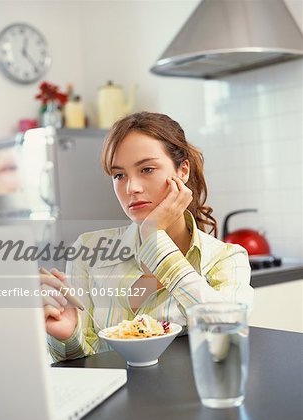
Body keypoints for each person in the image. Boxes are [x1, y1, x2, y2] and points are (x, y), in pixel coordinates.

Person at [41, 112, 253, 362]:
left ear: (182, 170)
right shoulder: (88, 250)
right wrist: (65, 337)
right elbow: (80, 362)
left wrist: (155, 241)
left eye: (147, 169)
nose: (132, 188)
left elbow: (227, 336)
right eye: (119, 175)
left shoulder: (226, 259)